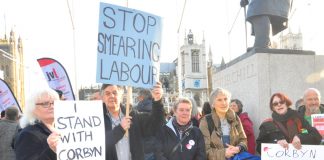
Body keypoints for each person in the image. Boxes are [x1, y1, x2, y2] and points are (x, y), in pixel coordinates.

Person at [101, 82, 165, 160]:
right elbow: (98, 145)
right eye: (107, 93)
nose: (112, 96)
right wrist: (120, 129)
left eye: (115, 93)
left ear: (121, 95)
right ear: (103, 98)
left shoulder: (132, 115)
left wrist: (157, 101)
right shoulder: (97, 120)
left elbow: (156, 124)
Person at [256, 92, 321, 154]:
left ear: (287, 104)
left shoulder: (299, 119)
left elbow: (317, 136)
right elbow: (259, 147)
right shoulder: (267, 124)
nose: (279, 105)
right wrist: (276, 143)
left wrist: (300, 137)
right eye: (275, 104)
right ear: (273, 108)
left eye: (281, 102)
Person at [199, 88, 247, 160]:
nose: (223, 103)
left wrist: (238, 148)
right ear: (213, 104)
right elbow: (204, 150)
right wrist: (224, 153)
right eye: (219, 100)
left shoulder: (235, 118)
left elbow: (243, 140)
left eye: (225, 99)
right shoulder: (205, 121)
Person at [14, 88, 59, 160]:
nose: (52, 106)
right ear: (32, 109)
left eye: (55, 102)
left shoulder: (63, 129)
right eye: (45, 104)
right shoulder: (27, 135)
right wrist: (51, 150)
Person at [134, 88, 157, 160]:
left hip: (141, 148)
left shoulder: (137, 110)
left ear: (142, 97)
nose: (137, 98)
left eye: (138, 96)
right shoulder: (157, 109)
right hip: (154, 147)